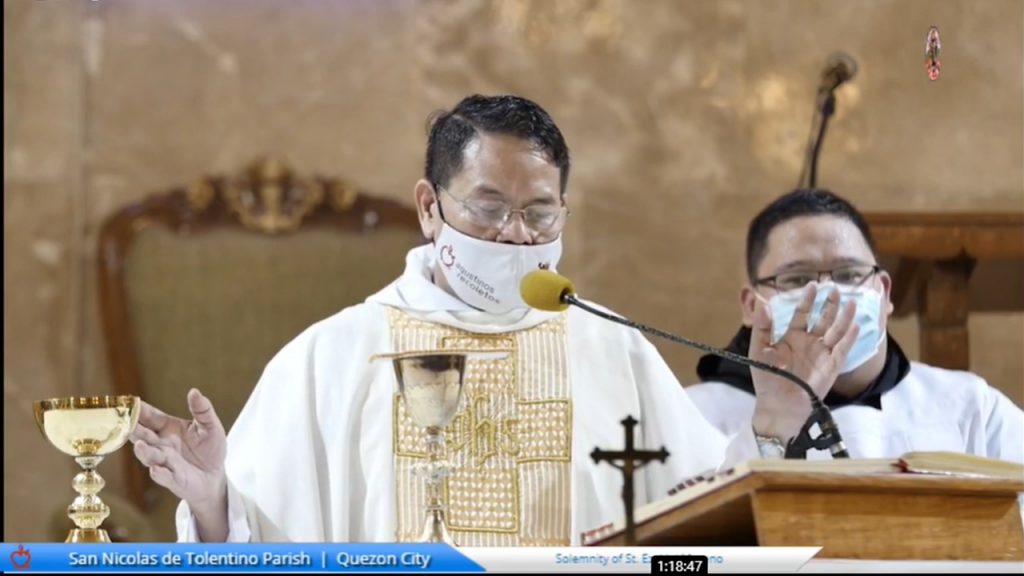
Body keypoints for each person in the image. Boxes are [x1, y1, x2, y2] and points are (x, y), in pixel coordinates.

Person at [129, 96, 855, 545]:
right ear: (428, 207)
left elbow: (704, 532)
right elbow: (257, 546)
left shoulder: (611, 347)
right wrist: (212, 498)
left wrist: (776, 423)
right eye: (487, 208)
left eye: (539, 213)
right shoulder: (332, 355)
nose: (514, 235)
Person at [687, 188, 1024, 466]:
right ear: (751, 305)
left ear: (884, 293)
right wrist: (773, 426)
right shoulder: (695, 415)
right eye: (798, 278)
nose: (827, 295)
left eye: (848, 275)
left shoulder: (970, 406)